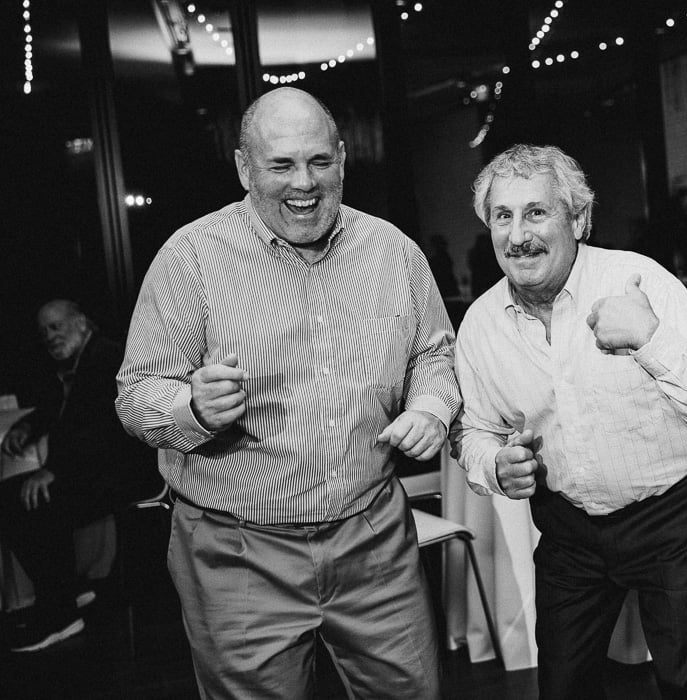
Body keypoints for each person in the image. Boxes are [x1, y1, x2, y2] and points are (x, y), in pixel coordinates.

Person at [115, 87, 459, 699]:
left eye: (320, 161)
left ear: (343, 159)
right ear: (246, 168)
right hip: (237, 551)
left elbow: (434, 353)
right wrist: (191, 407)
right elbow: (136, 394)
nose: (305, 182)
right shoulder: (190, 258)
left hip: (373, 536)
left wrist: (431, 405)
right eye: (281, 165)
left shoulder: (394, 252)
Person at [450, 145, 687, 699]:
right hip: (571, 533)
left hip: (674, 519)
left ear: (579, 219)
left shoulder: (640, 281)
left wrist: (651, 338)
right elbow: (473, 430)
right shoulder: (480, 325)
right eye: (503, 216)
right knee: (564, 688)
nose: (518, 235)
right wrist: (494, 464)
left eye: (537, 212)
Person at [0, 299, 158, 652]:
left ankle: (60, 614)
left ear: (82, 322)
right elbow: (60, 410)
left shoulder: (105, 357)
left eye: (56, 326)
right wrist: (27, 425)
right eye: (44, 332)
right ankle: (64, 593)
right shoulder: (77, 360)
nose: (50, 337)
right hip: (95, 470)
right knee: (17, 497)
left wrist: (52, 471)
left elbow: (101, 429)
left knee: (27, 502)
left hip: (124, 473)